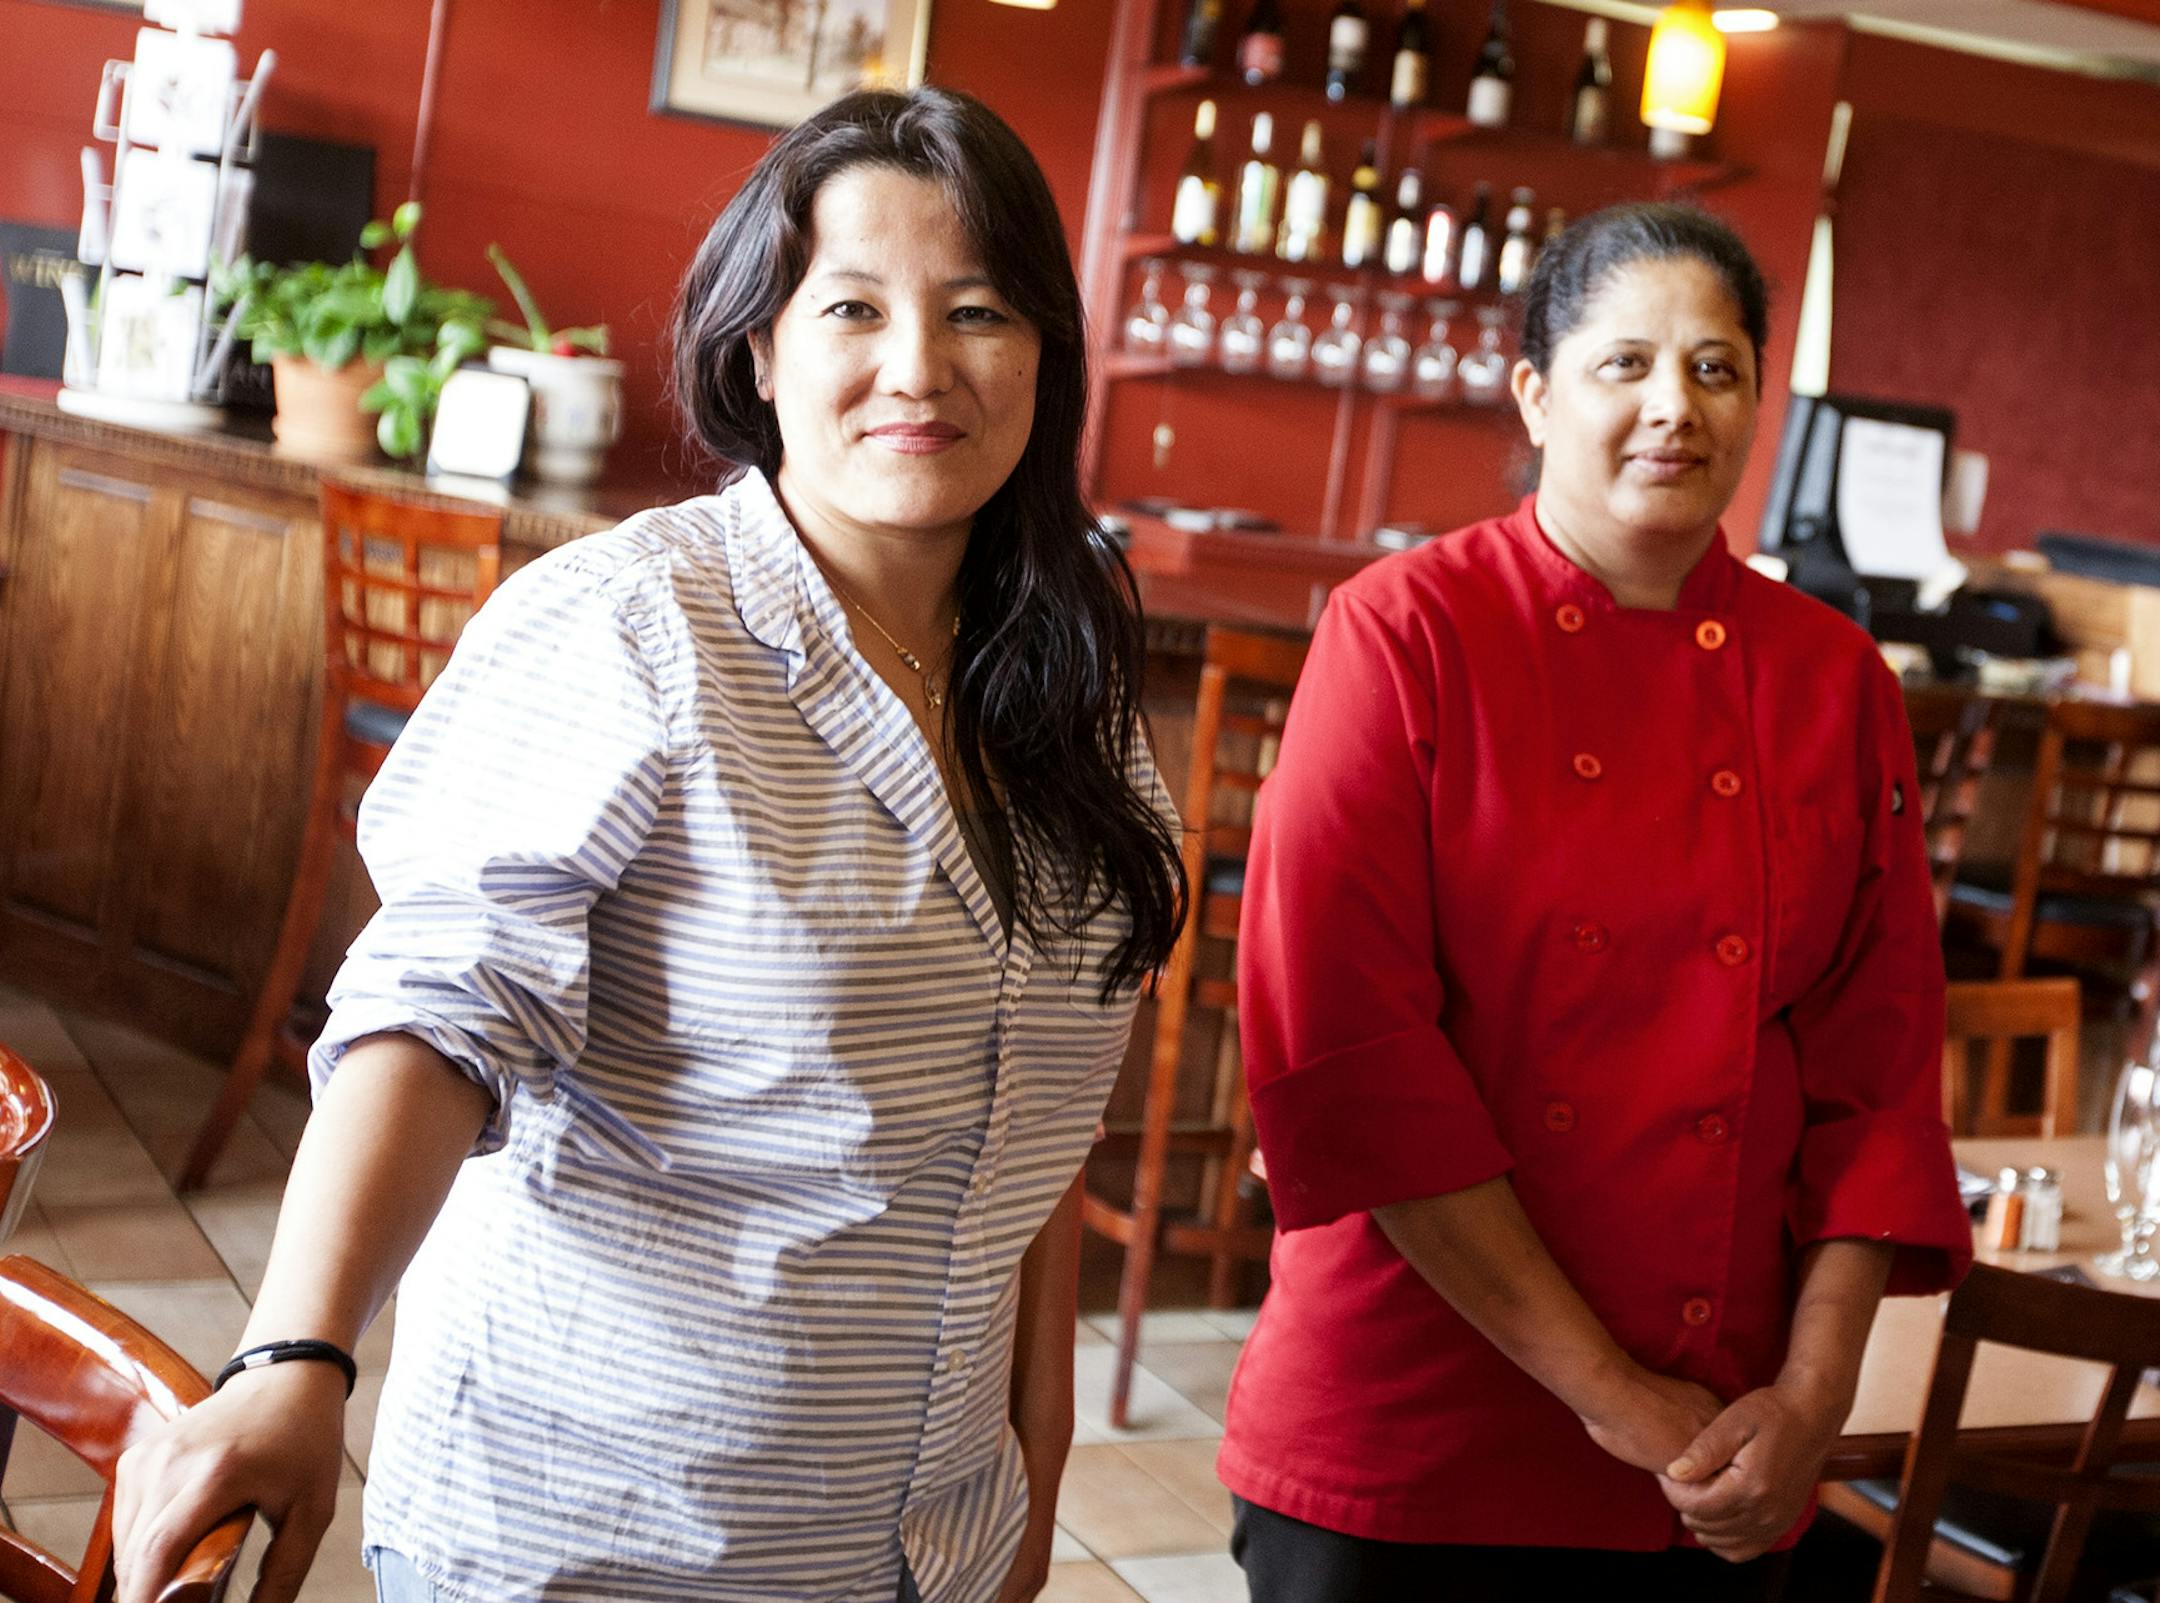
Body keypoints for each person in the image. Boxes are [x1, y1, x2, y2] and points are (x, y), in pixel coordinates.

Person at [111, 87, 1183, 1603]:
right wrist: (297, 1350)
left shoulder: (1068, 689)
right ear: (762, 348)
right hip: (605, 1534)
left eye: (981, 312)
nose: (919, 368)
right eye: (855, 308)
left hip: (925, 1550)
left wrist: (1029, 1490)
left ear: (1047, 356)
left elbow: (1030, 1152)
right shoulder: (634, 624)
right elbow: (436, 1009)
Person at [1215, 203, 1972, 1601]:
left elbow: (1879, 1079)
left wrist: (1809, 1402)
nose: (1672, 408)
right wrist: (1613, 1396)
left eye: (1716, 369)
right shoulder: (1405, 632)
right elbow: (1355, 1065)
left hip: (1717, 1446)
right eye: (1624, 364)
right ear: (1537, 391)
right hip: (1414, 1420)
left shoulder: (1836, 678)